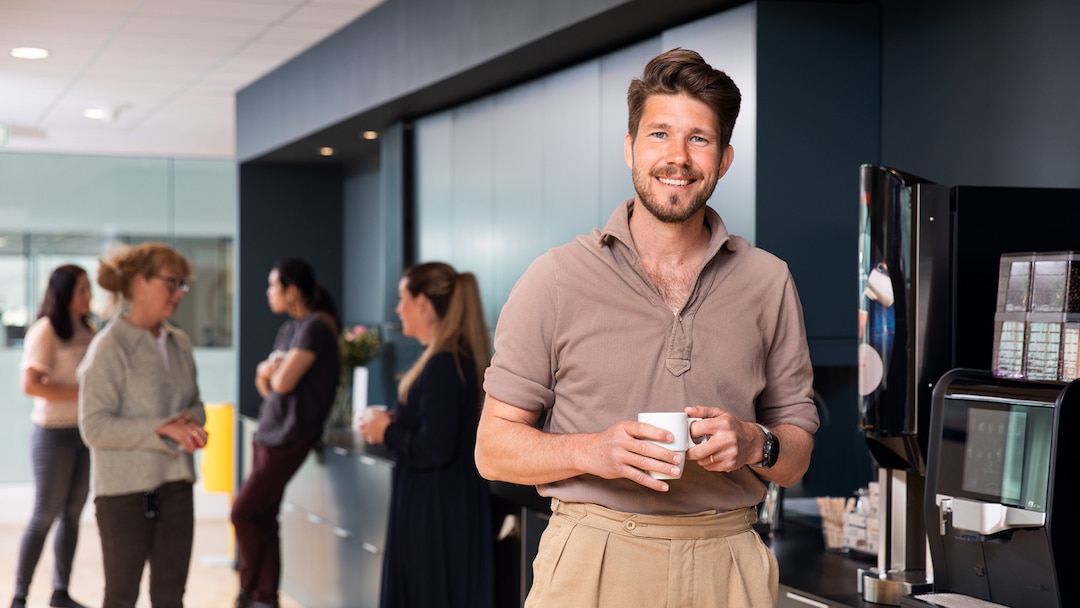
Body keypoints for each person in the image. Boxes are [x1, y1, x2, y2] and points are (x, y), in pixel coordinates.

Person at [474, 48, 820, 608]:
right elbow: (492, 449)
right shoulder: (557, 277)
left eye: (699, 139)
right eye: (659, 134)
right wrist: (594, 452)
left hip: (727, 563)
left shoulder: (768, 281)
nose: (677, 157)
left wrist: (755, 442)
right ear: (630, 146)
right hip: (593, 559)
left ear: (725, 158)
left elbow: (797, 455)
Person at [78, 243, 207, 608]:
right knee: (121, 596)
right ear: (139, 284)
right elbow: (94, 427)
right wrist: (162, 429)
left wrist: (190, 421)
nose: (180, 293)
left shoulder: (179, 342)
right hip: (124, 493)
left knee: (171, 596)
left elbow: (195, 403)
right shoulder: (108, 347)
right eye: (172, 282)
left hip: (177, 484)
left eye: (183, 284)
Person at [359, 262, 495, 608]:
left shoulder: (444, 364)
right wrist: (396, 421)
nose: (397, 309)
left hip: (436, 513)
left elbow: (433, 447)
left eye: (402, 299)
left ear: (423, 303)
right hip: (440, 505)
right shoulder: (446, 360)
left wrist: (386, 430)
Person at [231, 259, 341, 608]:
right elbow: (266, 385)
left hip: (291, 436)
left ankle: (249, 590)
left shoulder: (317, 326)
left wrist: (270, 372)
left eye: (272, 286)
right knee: (262, 516)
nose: (267, 293)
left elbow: (281, 381)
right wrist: (269, 373)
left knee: (243, 512)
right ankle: (264, 596)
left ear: (291, 291)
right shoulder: (289, 329)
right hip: (269, 433)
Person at [11, 265, 96, 608]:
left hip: (83, 433)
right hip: (52, 436)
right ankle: (20, 595)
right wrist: (82, 392)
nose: (89, 297)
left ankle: (60, 592)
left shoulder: (88, 330)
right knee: (44, 514)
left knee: (72, 514)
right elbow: (31, 384)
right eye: (82, 291)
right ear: (64, 295)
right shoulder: (44, 331)